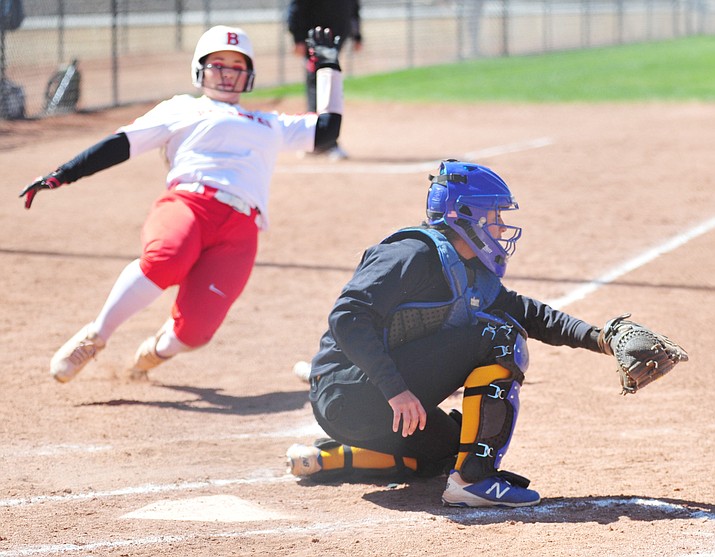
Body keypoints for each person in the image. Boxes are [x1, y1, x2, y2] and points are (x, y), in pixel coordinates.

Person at [285, 160, 685, 508]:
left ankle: (333, 458)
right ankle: (474, 482)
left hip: (366, 415)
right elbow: (348, 315)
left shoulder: (470, 272)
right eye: (493, 216)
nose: (501, 225)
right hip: (349, 391)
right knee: (499, 337)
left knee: (446, 451)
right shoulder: (412, 253)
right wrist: (396, 390)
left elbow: (530, 312)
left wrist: (602, 337)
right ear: (464, 214)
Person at [19, 24, 344, 384]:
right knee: (167, 258)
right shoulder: (182, 108)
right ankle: (95, 336)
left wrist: (329, 66)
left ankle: (153, 352)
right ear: (199, 69)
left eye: (237, 67)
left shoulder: (268, 122)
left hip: (240, 229)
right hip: (190, 204)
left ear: (248, 76)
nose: (227, 74)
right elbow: (121, 144)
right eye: (218, 64)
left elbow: (327, 129)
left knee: (196, 333)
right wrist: (63, 174)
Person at [287, 0, 361, 160]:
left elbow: (354, 7)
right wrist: (298, 38)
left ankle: (316, 141)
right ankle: (321, 141)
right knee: (319, 86)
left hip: (337, 37)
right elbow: (296, 7)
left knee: (327, 83)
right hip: (315, 40)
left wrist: (357, 35)